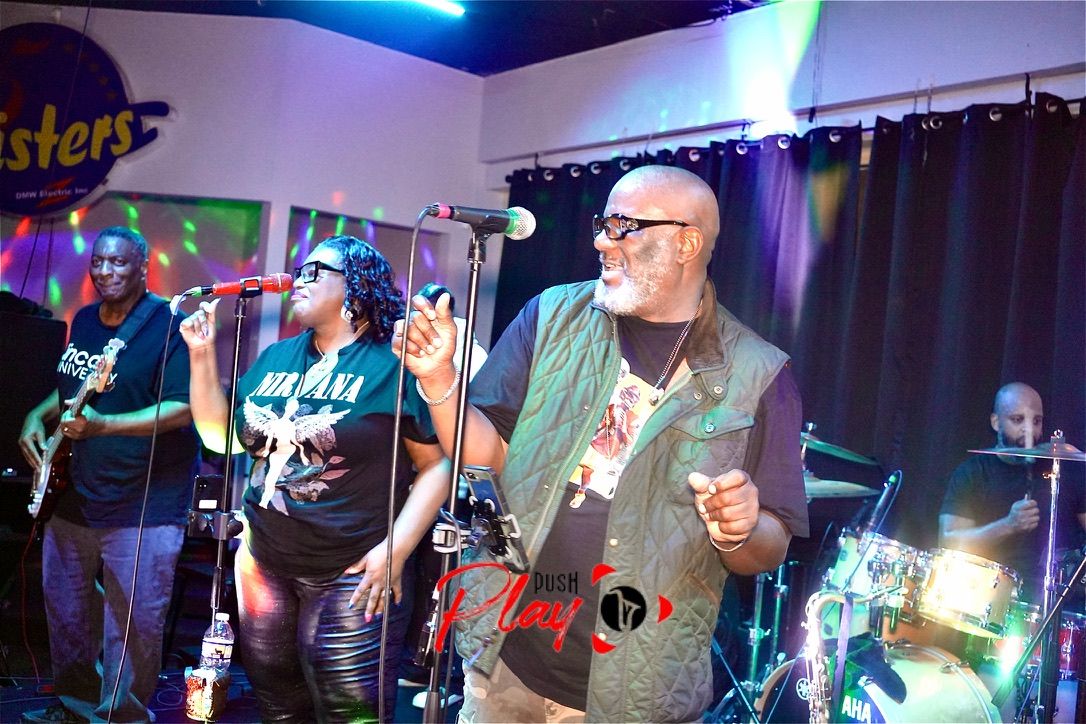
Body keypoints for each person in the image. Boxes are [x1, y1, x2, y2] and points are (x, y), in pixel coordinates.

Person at [395, 165, 809, 722]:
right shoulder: (552, 316)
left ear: (686, 243)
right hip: (508, 657)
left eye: (623, 227)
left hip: (636, 687)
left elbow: (772, 543)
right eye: (602, 224)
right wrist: (439, 379)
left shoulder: (758, 373)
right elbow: (486, 455)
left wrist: (740, 529)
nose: (601, 241)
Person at [179, 235, 448, 722]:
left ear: (356, 287)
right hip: (263, 564)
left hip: (351, 571)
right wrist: (201, 354)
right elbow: (222, 439)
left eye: (314, 271)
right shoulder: (277, 357)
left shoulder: (394, 364)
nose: (297, 281)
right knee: (278, 707)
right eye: (299, 271)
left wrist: (396, 549)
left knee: (351, 714)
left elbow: (438, 464)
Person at [18, 226, 199, 723]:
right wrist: (38, 414)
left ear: (143, 267)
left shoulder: (170, 324)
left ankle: (122, 717)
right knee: (67, 609)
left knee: (135, 620)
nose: (105, 271)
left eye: (118, 262)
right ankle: (77, 706)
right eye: (98, 261)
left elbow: (184, 408)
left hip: (145, 498)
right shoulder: (84, 319)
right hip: (77, 489)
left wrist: (103, 426)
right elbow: (75, 386)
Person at [939, 382, 1086, 600]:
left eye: (1036, 421)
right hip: (987, 598)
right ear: (996, 422)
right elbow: (948, 542)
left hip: (1059, 598)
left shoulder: (1064, 472)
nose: (1029, 430)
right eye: (1018, 420)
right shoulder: (973, 473)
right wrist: (1008, 525)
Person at [417, 282, 488, 381]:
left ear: (449, 312)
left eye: (431, 310)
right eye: (420, 311)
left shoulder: (476, 355)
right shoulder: (412, 348)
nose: (428, 317)